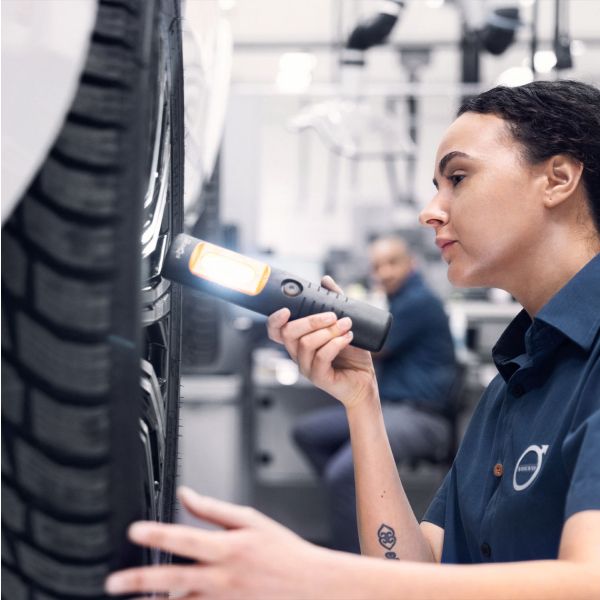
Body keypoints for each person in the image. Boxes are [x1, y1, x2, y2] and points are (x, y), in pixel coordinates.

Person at [105, 80, 600, 599]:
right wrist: (362, 400)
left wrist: (318, 574)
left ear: (557, 178)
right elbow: (418, 571)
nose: (430, 210)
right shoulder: (515, 383)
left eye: (458, 177)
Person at [292, 233, 457, 552]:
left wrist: (319, 319)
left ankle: (353, 568)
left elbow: (370, 344)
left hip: (421, 417)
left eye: (392, 263)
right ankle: (363, 516)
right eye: (377, 267)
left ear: (412, 263)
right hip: (393, 408)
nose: (384, 273)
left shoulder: (419, 302)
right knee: (308, 433)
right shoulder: (398, 301)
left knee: (342, 475)